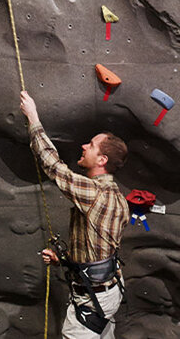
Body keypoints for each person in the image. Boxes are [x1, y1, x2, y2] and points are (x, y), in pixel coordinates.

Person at [19, 90, 128, 339]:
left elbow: (53, 166)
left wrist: (33, 118)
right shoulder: (118, 198)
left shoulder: (95, 192)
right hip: (107, 292)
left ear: (102, 159)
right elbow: (99, 249)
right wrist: (64, 260)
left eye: (91, 145)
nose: (83, 146)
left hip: (92, 298)